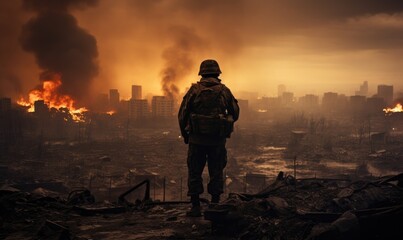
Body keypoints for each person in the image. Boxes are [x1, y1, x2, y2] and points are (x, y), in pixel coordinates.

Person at [178, 59, 239, 217]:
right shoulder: (224, 91)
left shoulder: (194, 90)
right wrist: (225, 121)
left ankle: (196, 207)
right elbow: (236, 112)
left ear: (202, 73)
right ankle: (215, 204)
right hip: (217, 141)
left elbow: (182, 115)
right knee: (216, 172)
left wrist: (186, 136)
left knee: (194, 172)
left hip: (196, 141)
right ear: (217, 73)